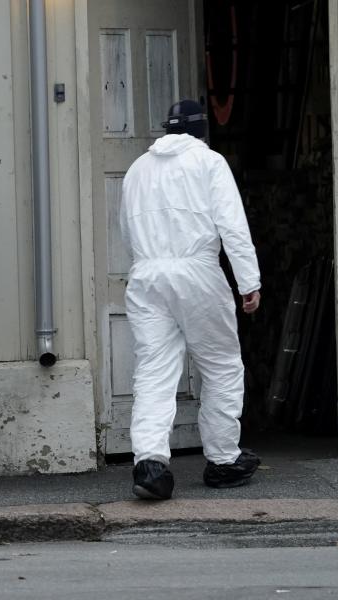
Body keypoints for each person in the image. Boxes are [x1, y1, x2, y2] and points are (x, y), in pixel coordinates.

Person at [119, 99, 262, 501]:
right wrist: (248, 281)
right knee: (220, 366)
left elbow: (126, 230)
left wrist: (145, 265)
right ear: (203, 130)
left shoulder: (136, 169)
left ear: (167, 129)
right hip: (196, 271)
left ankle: (150, 465)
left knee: (153, 371)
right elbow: (233, 226)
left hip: (146, 274)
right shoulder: (209, 162)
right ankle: (222, 460)